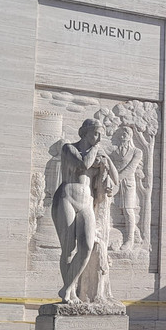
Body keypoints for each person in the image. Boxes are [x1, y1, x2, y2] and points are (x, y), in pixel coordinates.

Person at [51, 117, 108, 304]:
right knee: (68, 248)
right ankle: (71, 292)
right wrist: (96, 151)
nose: (99, 138)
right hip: (66, 197)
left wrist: (106, 163)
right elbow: (83, 164)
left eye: (100, 135)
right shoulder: (69, 148)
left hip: (86, 202)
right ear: (85, 133)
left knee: (87, 247)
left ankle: (66, 288)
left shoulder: (95, 153)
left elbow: (114, 178)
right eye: (96, 133)